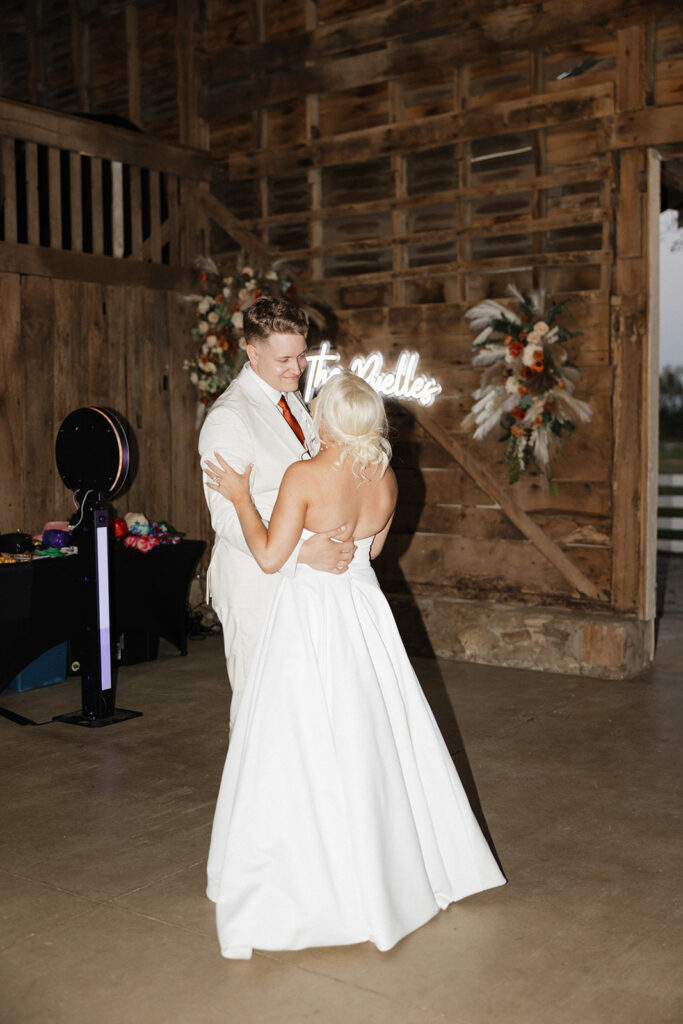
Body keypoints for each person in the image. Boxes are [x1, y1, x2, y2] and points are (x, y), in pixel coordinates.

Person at [203, 371, 506, 960]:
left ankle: (316, 880)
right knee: (377, 734)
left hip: (313, 617)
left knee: (300, 742)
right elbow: (369, 553)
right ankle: (395, 871)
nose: (310, 412)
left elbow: (269, 557)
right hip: (365, 616)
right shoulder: (387, 478)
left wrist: (240, 496)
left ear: (331, 420)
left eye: (317, 407)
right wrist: (335, 544)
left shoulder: (305, 475)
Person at [198, 297, 355, 728]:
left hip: (298, 584)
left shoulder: (292, 401)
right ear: (252, 352)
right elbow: (227, 520)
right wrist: (302, 553)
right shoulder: (228, 418)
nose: (298, 367)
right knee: (258, 709)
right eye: (284, 358)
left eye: (301, 354)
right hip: (255, 582)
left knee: (297, 710)